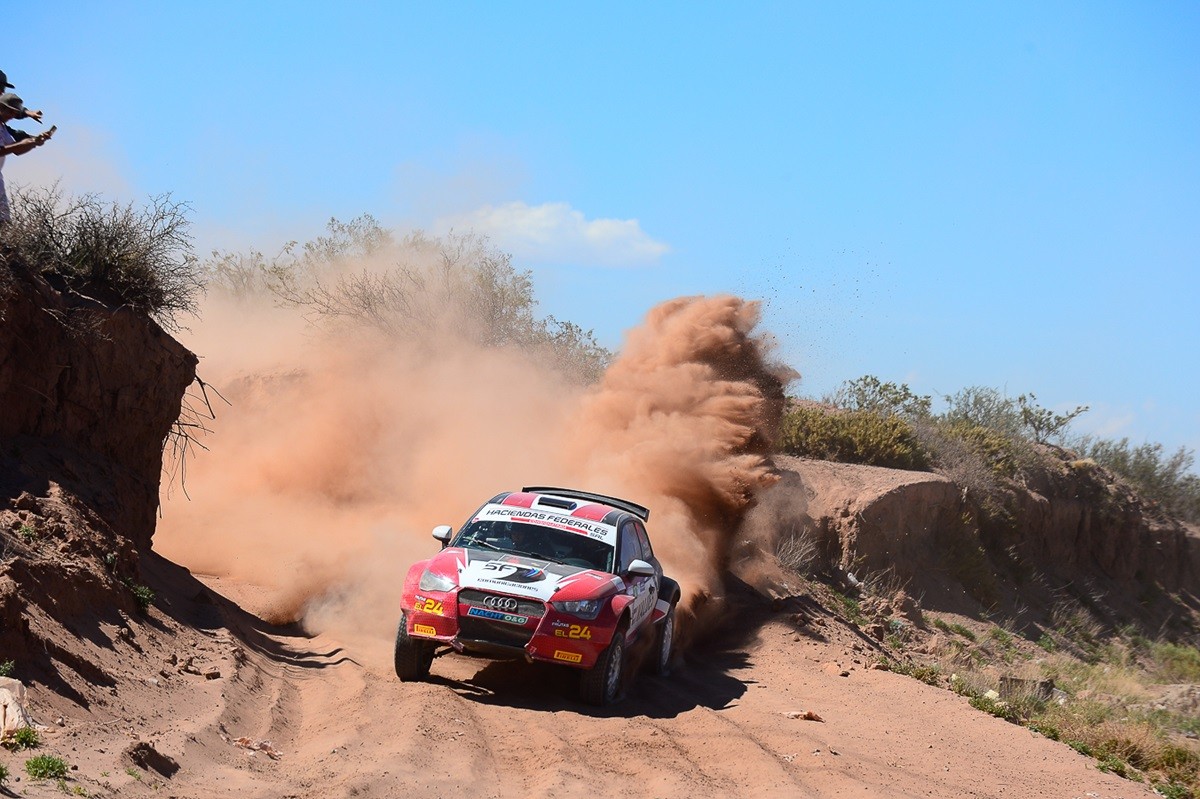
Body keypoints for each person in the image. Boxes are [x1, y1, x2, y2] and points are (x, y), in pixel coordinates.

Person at [0, 93, 54, 225]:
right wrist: (24, 143)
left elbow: (16, 150)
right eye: (10, 111)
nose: (12, 116)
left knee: (4, 220)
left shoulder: (2, 128)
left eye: (14, 113)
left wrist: (34, 142)